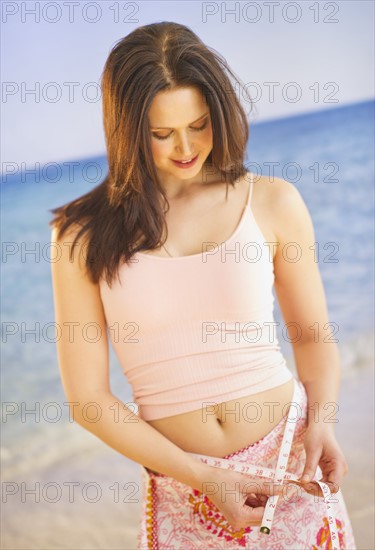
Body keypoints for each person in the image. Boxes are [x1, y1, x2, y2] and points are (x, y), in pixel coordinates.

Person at [49, 21, 357, 549]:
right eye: (161, 133)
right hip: (183, 487)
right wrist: (202, 476)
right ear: (125, 129)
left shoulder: (272, 202)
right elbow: (89, 401)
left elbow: (310, 336)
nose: (186, 148)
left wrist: (321, 424)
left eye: (199, 124)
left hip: (290, 464)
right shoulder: (80, 235)